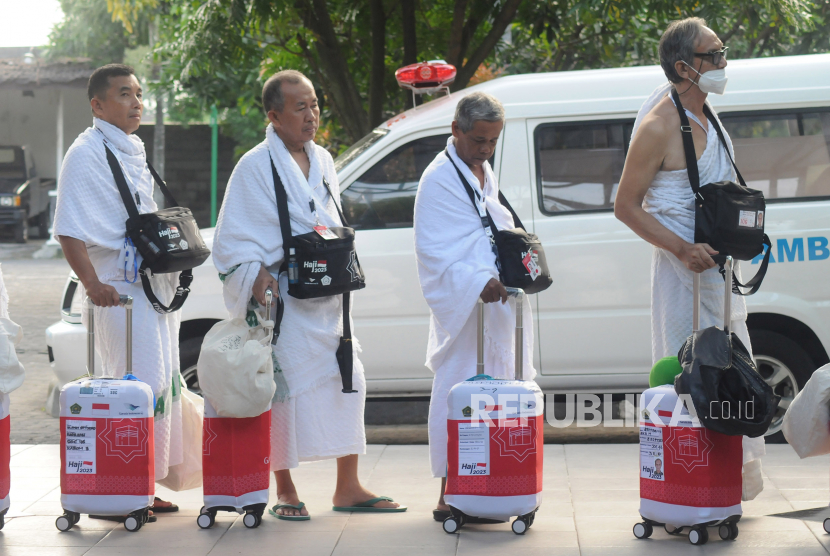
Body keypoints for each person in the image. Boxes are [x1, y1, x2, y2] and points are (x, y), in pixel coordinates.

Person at [211, 70, 404, 520]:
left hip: (328, 296)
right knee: (284, 390)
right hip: (287, 302)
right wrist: (256, 275)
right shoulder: (255, 166)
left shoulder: (325, 160)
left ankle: (348, 486)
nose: (312, 115)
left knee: (347, 380)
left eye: (315, 105)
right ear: (274, 116)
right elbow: (231, 241)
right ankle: (285, 488)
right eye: (301, 107)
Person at [614, 17, 764, 499]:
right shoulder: (659, 124)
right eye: (714, 55)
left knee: (733, 372)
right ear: (684, 66)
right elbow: (625, 206)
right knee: (690, 375)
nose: (724, 63)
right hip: (683, 277)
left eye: (723, 51)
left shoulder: (708, 114)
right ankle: (686, 481)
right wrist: (681, 248)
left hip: (719, 272)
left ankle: (726, 480)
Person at [52, 64, 181, 516]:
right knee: (133, 381)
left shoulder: (132, 150)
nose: (136, 102)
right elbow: (68, 230)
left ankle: (140, 486)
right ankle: (121, 488)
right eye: (124, 94)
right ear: (98, 105)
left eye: (139, 94)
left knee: (156, 382)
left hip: (149, 287)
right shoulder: (85, 152)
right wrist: (92, 284)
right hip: (116, 289)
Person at [413, 92, 536, 522]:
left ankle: (497, 482)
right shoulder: (438, 179)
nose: (485, 150)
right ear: (456, 131)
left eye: (492, 142)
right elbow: (434, 250)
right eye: (478, 140)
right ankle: (451, 491)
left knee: (500, 396)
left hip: (498, 306)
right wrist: (473, 280)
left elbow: (496, 224)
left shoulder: (482, 171)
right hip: (466, 311)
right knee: (460, 396)